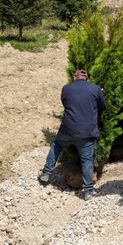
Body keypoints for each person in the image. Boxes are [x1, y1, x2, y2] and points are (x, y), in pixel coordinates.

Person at [38, 69, 105, 201]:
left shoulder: (66, 88)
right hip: (87, 131)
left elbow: (65, 103)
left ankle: (46, 173)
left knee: (56, 145)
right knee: (86, 160)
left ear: (74, 77)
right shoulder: (95, 88)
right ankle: (88, 191)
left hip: (68, 129)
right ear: (87, 78)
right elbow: (102, 106)